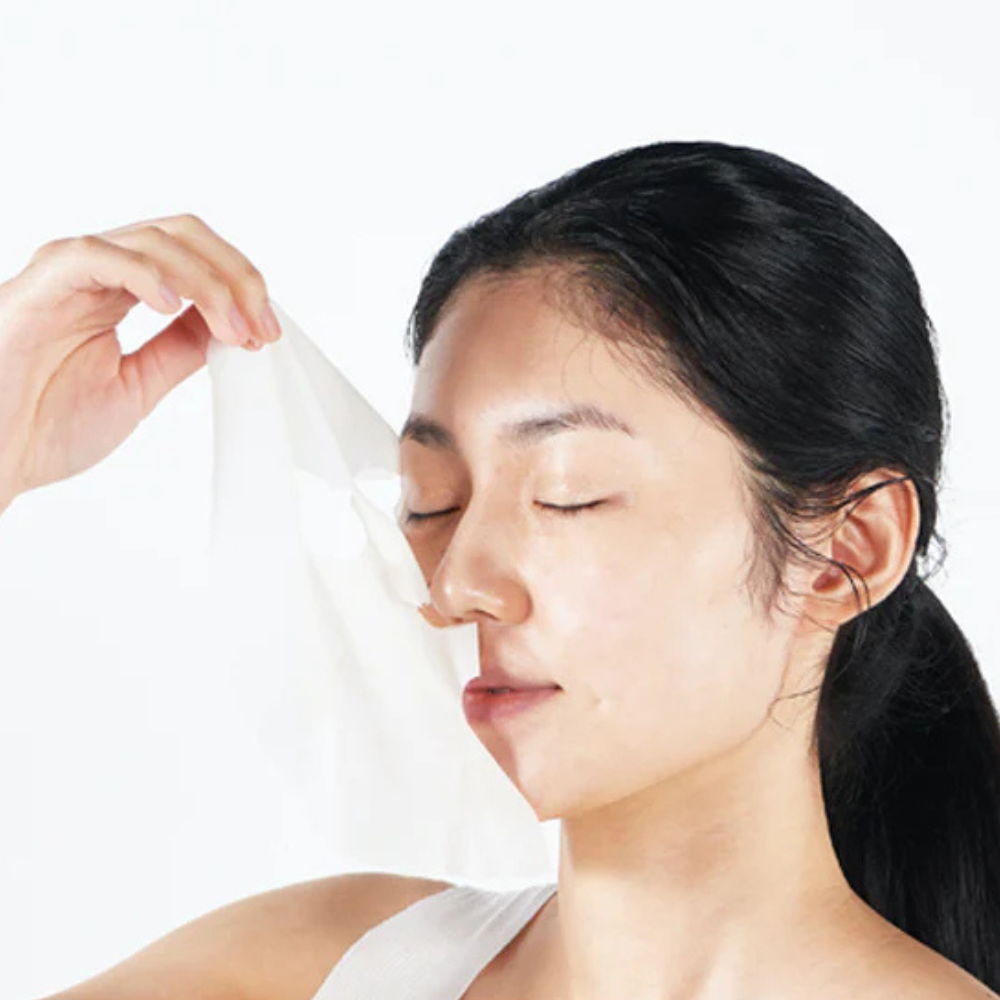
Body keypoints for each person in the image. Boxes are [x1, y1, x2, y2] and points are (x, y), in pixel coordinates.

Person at [2, 141, 998, 1000]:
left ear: (846, 550)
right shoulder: (315, 968)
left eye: (566, 493)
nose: (455, 586)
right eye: (431, 501)